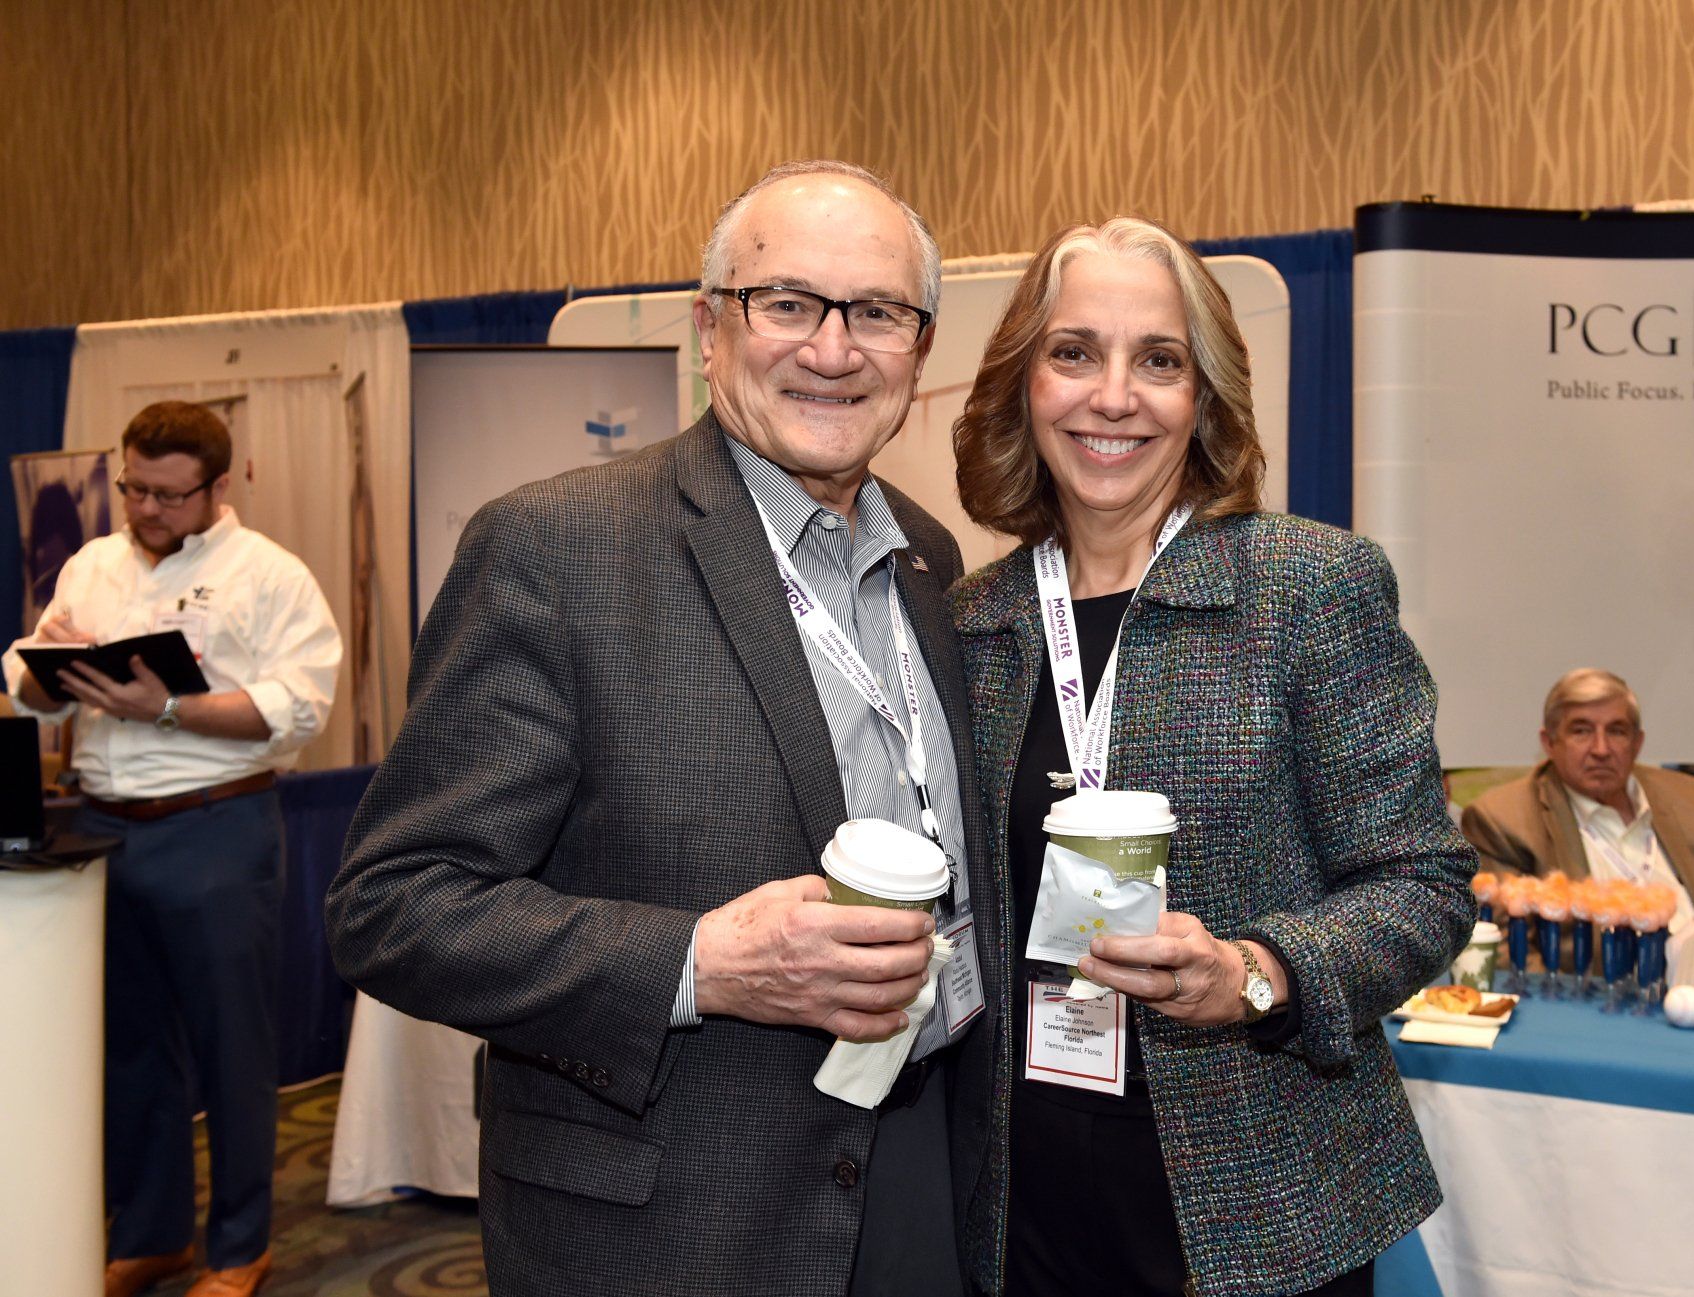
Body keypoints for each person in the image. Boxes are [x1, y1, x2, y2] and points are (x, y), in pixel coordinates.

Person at [325, 161, 993, 1297]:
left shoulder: (928, 557)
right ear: (709, 329)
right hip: (677, 1223)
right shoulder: (554, 548)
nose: (832, 351)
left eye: (877, 312)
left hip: (922, 1168)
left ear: (921, 347)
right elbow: (396, 905)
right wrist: (702, 964)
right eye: (787, 303)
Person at [947, 216, 1475, 1297]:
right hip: (1020, 1196)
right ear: (1023, 385)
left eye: (1159, 360)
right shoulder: (972, 623)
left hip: (1260, 1202)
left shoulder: (1304, 588)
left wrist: (1258, 971)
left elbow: (1424, 884)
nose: (1113, 396)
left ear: (1206, 398)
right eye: (1074, 352)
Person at [2, 400, 341, 1297]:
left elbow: (299, 706)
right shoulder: (93, 564)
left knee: (233, 1048)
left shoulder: (270, 574)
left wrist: (163, 704)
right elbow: (28, 680)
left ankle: (239, 1248)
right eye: (134, 488)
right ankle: (152, 1233)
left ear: (216, 486)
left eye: (168, 494)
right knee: (128, 1047)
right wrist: (53, 668)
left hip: (215, 827)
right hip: (104, 829)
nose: (146, 509)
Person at [1460, 669, 1694, 930]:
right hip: (1597, 989)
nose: (1601, 749)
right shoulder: (1502, 819)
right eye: (1581, 731)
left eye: (1616, 731)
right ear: (1549, 743)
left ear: (1637, 743)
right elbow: (1504, 944)